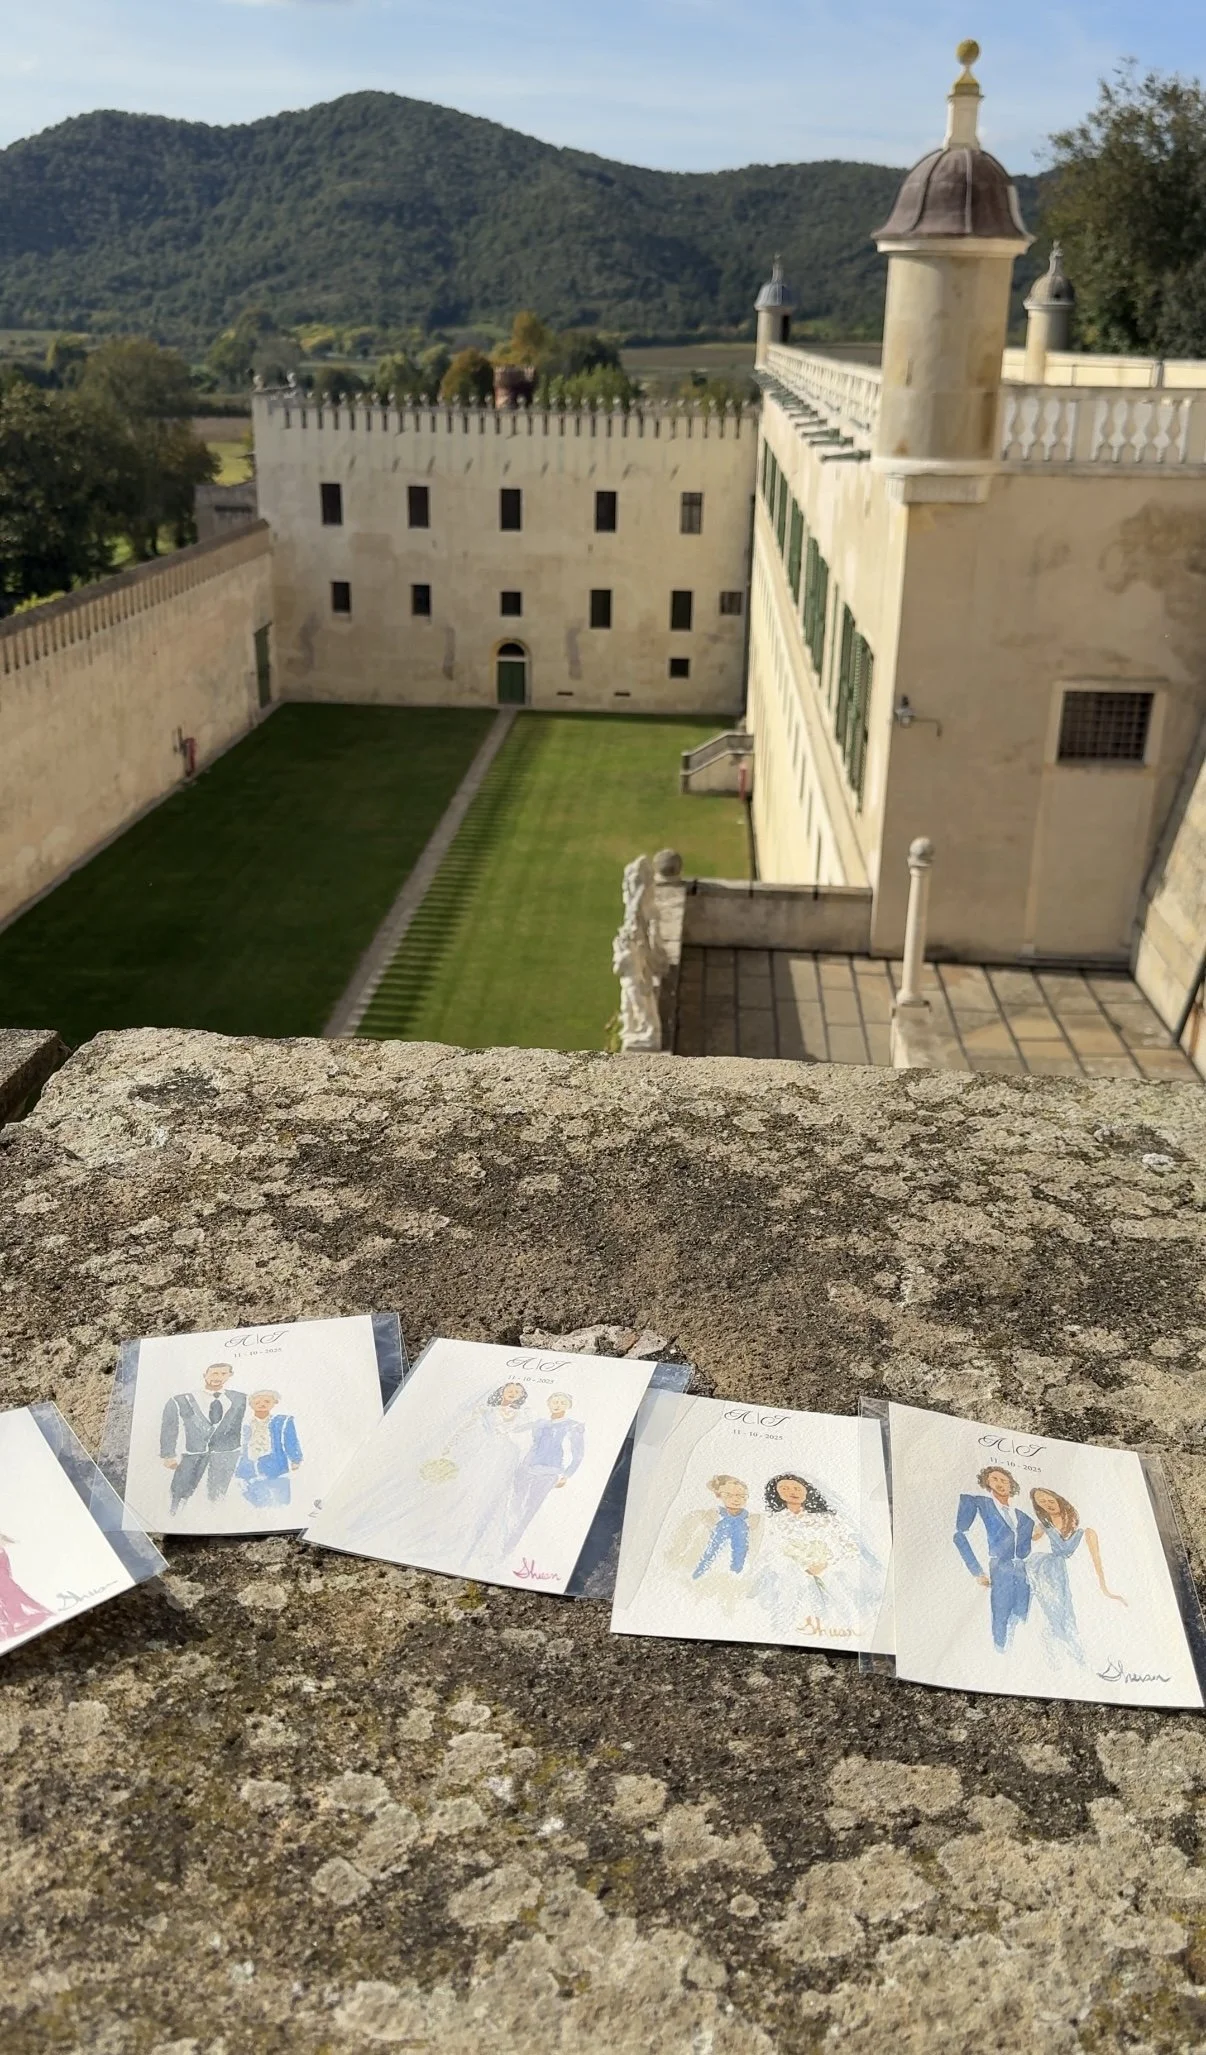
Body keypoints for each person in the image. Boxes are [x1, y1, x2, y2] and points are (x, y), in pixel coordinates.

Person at [1028, 1486, 1125, 1663]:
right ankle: (1062, 1651)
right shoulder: (1042, 1527)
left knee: (1076, 1615)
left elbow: (1097, 1561)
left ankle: (1078, 1653)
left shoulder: (1085, 1531)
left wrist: (1105, 1588)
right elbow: (1027, 1541)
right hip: (1049, 1574)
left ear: (1059, 1499)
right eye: (1041, 1502)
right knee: (1055, 1613)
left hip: (1075, 1576)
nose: (1047, 1504)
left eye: (1050, 1500)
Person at [753, 1472, 859, 1634]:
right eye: (784, 1488)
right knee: (790, 1589)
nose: (792, 1492)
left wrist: (826, 1563)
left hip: (828, 1568)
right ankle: (784, 1629)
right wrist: (802, 1564)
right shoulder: (774, 1521)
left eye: (797, 1488)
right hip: (791, 1572)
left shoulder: (827, 1518)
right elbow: (771, 1550)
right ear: (776, 1493)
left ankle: (848, 1628)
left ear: (807, 1490)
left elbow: (846, 1546)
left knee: (840, 1596)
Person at [953, 1465, 1035, 1652]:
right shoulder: (978, 1503)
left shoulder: (1023, 1517)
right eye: (995, 1479)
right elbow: (960, 1535)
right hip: (997, 1569)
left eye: (1004, 1480)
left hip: (1021, 1572)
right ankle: (999, 1653)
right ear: (987, 1482)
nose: (1000, 1483)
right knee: (1000, 1618)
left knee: (1022, 1616)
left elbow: (1025, 1548)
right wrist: (977, 1571)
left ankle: (1016, 1657)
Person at [502, 1393, 585, 1558]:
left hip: (549, 1473)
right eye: (554, 1401)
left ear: (568, 1406)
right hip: (526, 1469)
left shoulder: (573, 1426)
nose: (558, 1405)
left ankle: (509, 1548)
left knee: (529, 1509)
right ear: (548, 1403)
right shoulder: (540, 1423)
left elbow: (578, 1454)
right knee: (513, 1506)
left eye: (562, 1402)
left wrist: (567, 1475)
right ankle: (502, 1541)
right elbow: (516, 1430)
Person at [160, 1363, 247, 1513]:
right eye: (214, 1373)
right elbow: (169, 1427)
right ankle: (174, 1514)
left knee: (218, 1492)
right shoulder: (181, 1399)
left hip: (226, 1452)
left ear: (229, 1376)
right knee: (181, 1489)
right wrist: (168, 1455)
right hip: (193, 1452)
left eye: (223, 1374)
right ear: (204, 1374)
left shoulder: (241, 1398)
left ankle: (214, 1517)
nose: (218, 1378)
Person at [235, 1389, 303, 1511]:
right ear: (251, 1404)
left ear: (274, 1403)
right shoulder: (244, 1423)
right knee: (254, 1505)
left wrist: (295, 1459)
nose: (262, 1404)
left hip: (275, 1467)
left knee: (279, 1503)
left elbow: (290, 1440)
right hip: (249, 1469)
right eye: (258, 1401)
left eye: (267, 1401)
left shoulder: (281, 1422)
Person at [691, 1475, 754, 1579]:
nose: (736, 1499)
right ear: (718, 1495)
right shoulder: (708, 1517)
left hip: (740, 1576)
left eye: (742, 1496)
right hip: (709, 1572)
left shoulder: (752, 1520)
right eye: (728, 1495)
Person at [0, 1534, 52, 1640]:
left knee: (15, 1598)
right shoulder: (2, 1553)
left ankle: (16, 1621)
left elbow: (6, 1568)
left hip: (6, 1582)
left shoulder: (2, 1552)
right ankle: (12, 1623)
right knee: (10, 1601)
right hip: (5, 1582)